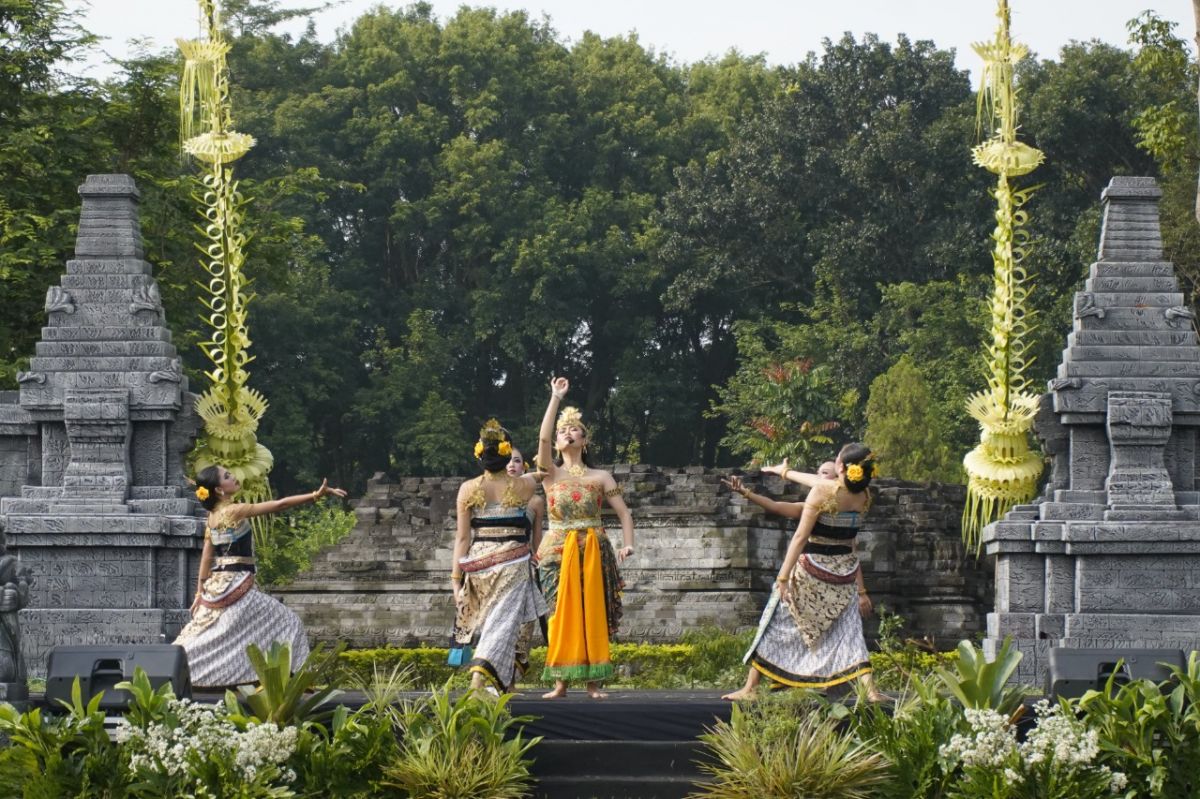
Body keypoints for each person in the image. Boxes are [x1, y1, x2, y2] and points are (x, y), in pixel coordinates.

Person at [722, 443, 885, 702]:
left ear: (841, 467)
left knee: (776, 621)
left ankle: (750, 688)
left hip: (813, 570)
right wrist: (785, 472)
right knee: (850, 630)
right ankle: (871, 690)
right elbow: (818, 483)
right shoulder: (863, 494)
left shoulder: (822, 492)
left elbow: (799, 537)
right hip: (844, 573)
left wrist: (783, 578)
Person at [175, 465, 347, 688]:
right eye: (227, 476)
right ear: (218, 489)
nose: (234, 477)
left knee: (223, 633)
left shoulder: (212, 516)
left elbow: (207, 557)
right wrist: (315, 495)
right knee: (288, 621)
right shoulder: (232, 511)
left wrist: (199, 591)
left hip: (222, 584)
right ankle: (293, 681)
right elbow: (280, 505)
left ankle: (184, 666)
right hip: (236, 583)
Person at [537, 377, 634, 699]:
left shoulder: (601, 477)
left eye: (575, 428)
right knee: (558, 612)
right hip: (555, 548)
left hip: (594, 546)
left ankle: (594, 683)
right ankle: (561, 682)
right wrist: (555, 398)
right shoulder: (549, 473)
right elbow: (543, 436)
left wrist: (627, 543)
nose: (567, 432)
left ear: (585, 439)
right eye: (563, 431)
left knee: (592, 611)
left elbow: (624, 513)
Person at [451, 420, 549, 693]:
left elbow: (462, 539)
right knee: (502, 627)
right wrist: (554, 400)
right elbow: (544, 469)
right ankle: (479, 681)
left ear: (480, 453)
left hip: (478, 565)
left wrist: (456, 582)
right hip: (512, 564)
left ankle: (495, 685)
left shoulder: (468, 489)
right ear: (507, 454)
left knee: (494, 626)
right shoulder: (525, 487)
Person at [721, 460, 837, 519]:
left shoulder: (853, 502)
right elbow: (775, 506)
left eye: (825, 473)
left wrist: (784, 471)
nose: (818, 476)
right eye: (818, 473)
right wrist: (745, 492)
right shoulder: (811, 507)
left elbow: (820, 483)